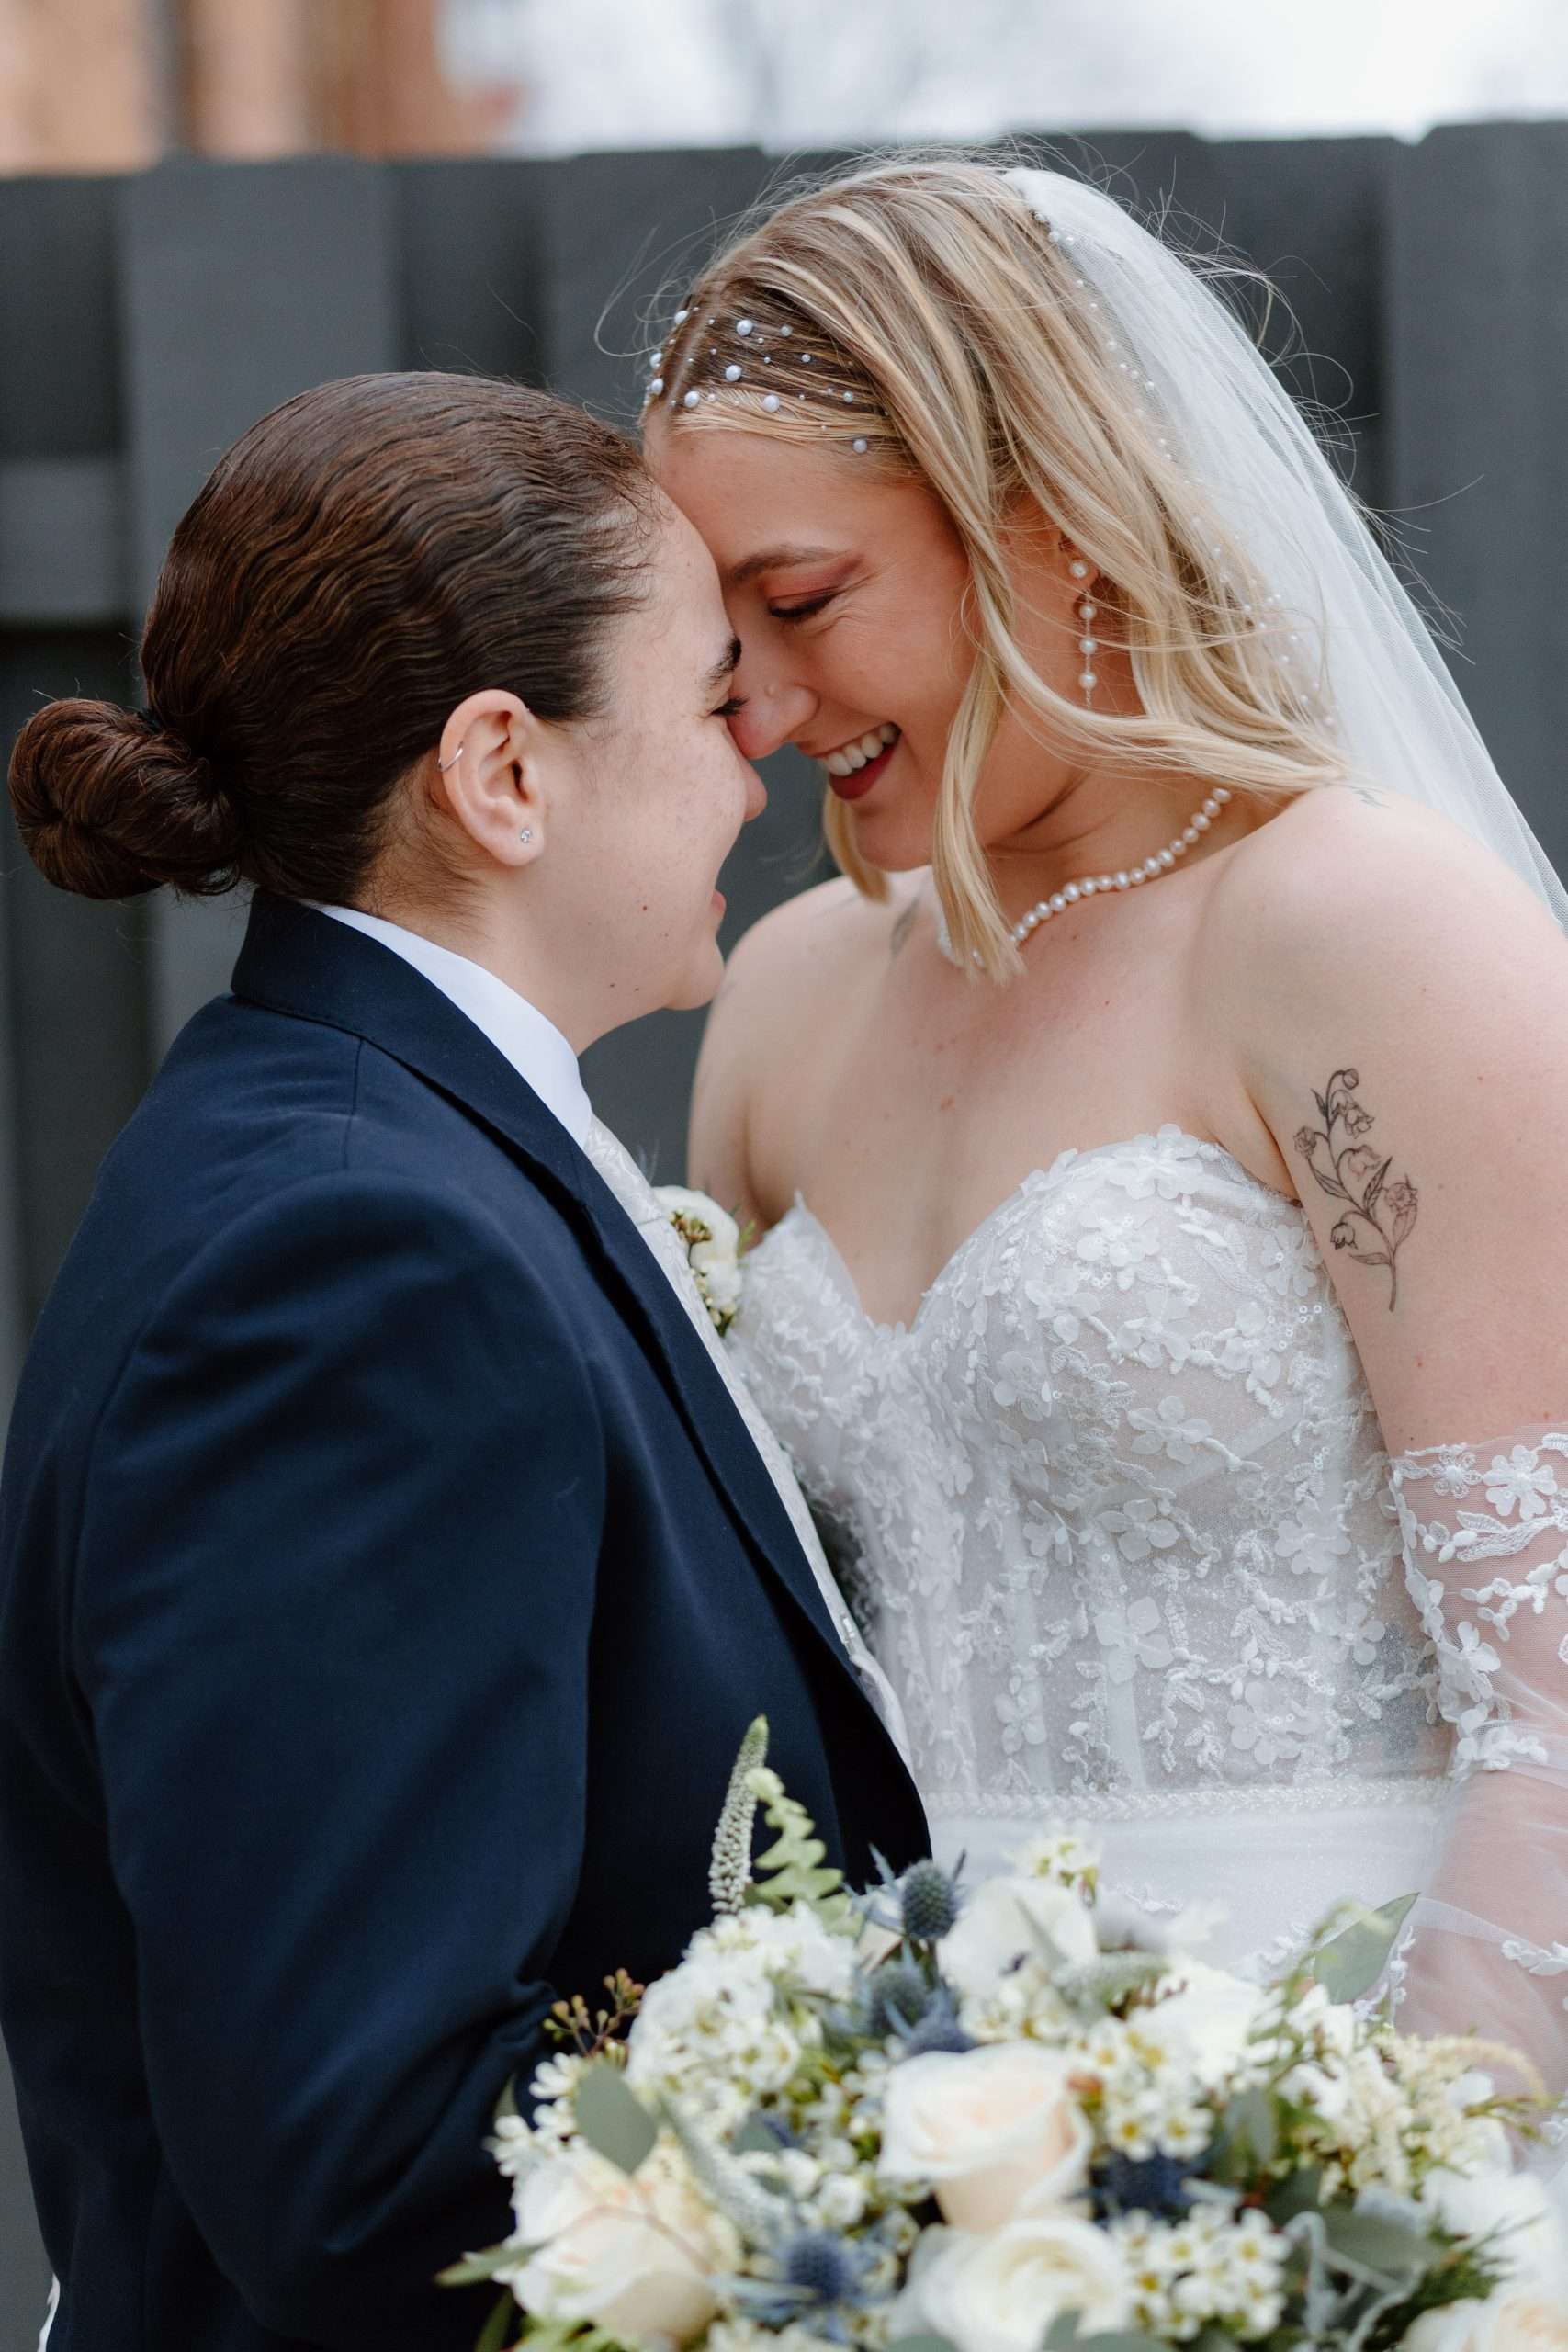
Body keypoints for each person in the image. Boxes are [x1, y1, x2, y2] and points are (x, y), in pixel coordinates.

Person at [645, 158, 1568, 2156]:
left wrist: (1350, 2204)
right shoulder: (788, 997)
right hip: (896, 2168)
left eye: (799, 603)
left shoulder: (1356, 939)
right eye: (715, 639)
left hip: (1365, 2135)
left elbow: (1559, 1711)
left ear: (1041, 516)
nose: (765, 705)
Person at [0, 371, 926, 2352]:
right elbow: (372, 2153)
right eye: (702, 699)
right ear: (502, 767)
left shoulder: (363, 1146)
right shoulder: (353, 1262)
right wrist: (917, 2194)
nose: (760, 752)